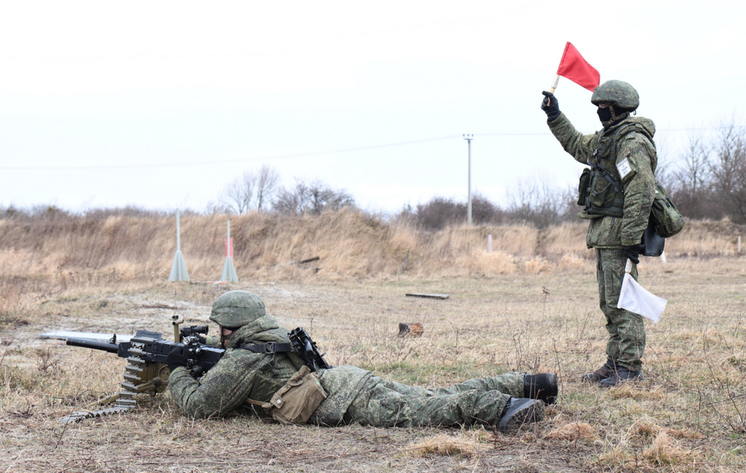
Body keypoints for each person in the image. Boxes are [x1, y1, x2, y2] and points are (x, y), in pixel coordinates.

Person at [167, 290, 558, 431]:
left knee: (424, 412)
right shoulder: (272, 337)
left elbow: (201, 407)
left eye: (221, 327)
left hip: (348, 401)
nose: (218, 333)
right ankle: (527, 383)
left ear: (233, 327)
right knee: (433, 392)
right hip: (349, 381)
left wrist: (177, 372)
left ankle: (503, 408)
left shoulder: (241, 359)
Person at [541, 80, 657, 387]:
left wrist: (632, 238)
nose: (599, 112)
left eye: (602, 108)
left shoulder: (631, 142)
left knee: (625, 302)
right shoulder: (609, 138)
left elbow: (640, 189)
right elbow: (578, 144)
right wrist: (555, 116)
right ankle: (615, 362)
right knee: (610, 302)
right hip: (606, 232)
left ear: (616, 108)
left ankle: (630, 367)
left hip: (620, 234)